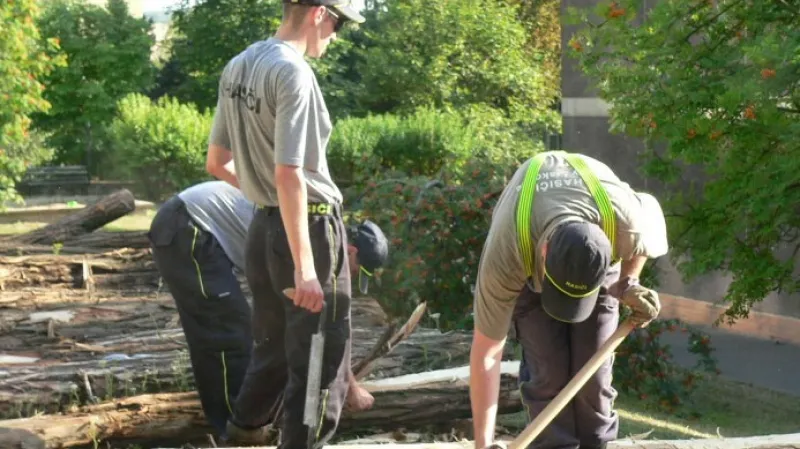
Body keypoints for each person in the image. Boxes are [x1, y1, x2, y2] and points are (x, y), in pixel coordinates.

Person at [202, 0, 367, 447]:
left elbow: (217, 163)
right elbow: (289, 172)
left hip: (264, 231)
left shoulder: (238, 66)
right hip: (308, 232)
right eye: (339, 25)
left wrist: (266, 202)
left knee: (272, 353)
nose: (336, 36)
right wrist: (307, 267)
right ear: (318, 13)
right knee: (318, 366)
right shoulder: (293, 73)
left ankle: (241, 438)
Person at [147, 181, 389, 441]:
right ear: (351, 251)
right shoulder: (312, 238)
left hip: (191, 228)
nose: (349, 277)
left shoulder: (315, 231)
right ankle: (237, 434)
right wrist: (349, 388)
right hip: (188, 226)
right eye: (355, 271)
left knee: (236, 331)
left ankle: (240, 425)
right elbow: (319, 330)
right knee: (229, 336)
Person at [469, 150, 668, 449]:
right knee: (548, 375)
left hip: (595, 250)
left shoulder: (625, 220)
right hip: (529, 263)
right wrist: (483, 446)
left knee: (594, 378)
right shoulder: (507, 252)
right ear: (546, 254)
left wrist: (628, 283)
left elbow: (649, 228)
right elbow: (486, 353)